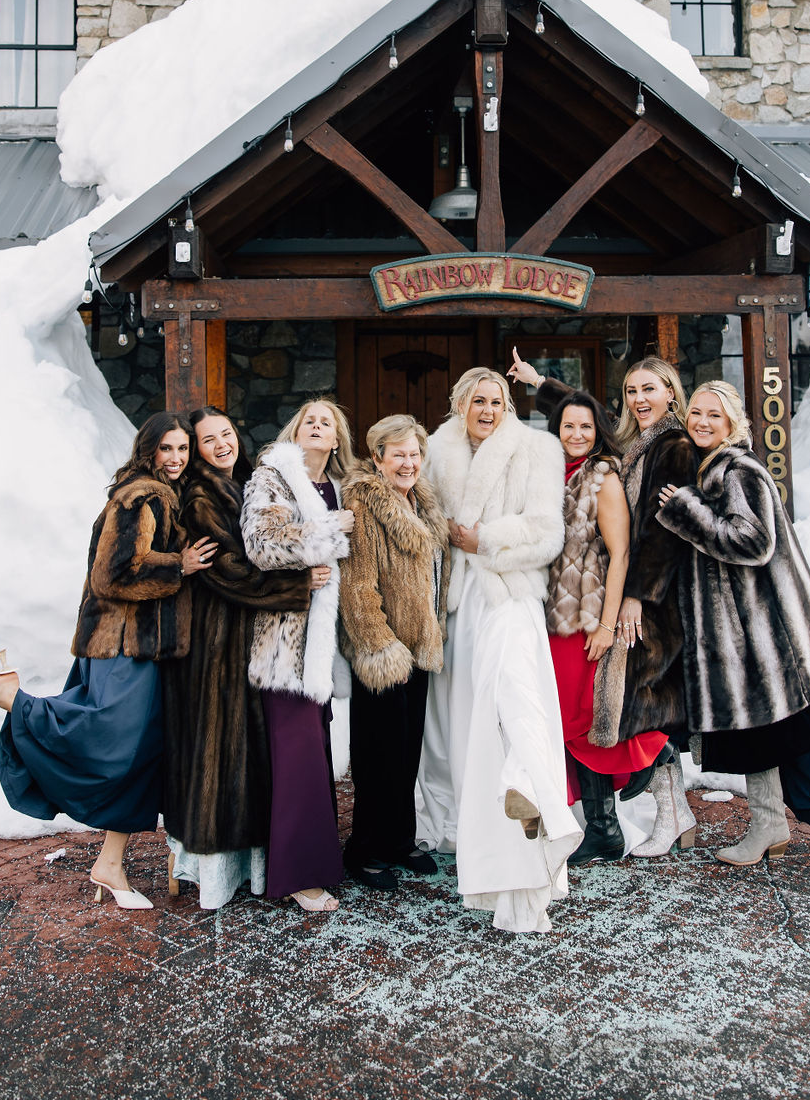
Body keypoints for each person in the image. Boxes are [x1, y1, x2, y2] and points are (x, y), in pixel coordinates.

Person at [0, 413, 215, 909]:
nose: (176, 458)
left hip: (140, 648)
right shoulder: (139, 497)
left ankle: (109, 864)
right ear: (148, 450)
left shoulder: (155, 494)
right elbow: (112, 575)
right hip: (124, 645)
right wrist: (180, 565)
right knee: (106, 740)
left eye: (182, 450)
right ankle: (6, 694)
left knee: (138, 756)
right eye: (167, 449)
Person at [657, 381, 810, 864]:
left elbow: (753, 542)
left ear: (732, 424)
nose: (702, 422)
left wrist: (687, 512)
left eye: (714, 416)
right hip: (736, 633)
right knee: (755, 733)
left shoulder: (738, 470)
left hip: (762, 628)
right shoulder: (711, 469)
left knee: (792, 721)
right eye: (697, 413)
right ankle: (767, 826)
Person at [508, 352, 697, 858]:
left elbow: (654, 538)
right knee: (596, 712)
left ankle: (654, 798)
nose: (638, 400)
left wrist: (627, 605)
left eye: (648, 390)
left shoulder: (671, 446)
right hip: (580, 608)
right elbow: (582, 417)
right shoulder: (629, 440)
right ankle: (606, 821)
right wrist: (535, 382)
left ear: (670, 394)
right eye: (632, 391)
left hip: (639, 602)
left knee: (623, 712)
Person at [416, 367, 582, 934]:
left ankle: (537, 808)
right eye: (477, 400)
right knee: (470, 727)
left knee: (518, 703)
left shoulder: (536, 449)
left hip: (510, 597)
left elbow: (547, 534)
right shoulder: (433, 453)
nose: (488, 409)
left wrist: (483, 539)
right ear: (459, 403)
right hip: (460, 610)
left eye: (497, 400)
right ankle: (487, 846)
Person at [161, 406, 314, 910]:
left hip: (246, 632)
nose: (222, 444)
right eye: (209, 440)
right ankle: (215, 868)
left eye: (227, 433)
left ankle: (249, 862)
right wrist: (296, 584)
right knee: (218, 750)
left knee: (248, 751)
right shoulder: (202, 496)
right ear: (197, 450)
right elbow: (225, 569)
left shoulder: (247, 482)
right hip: (216, 638)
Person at [543, 387, 670, 863]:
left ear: (598, 433)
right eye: (568, 426)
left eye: (585, 426)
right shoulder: (551, 474)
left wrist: (606, 624)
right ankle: (601, 828)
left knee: (582, 720)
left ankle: (617, 813)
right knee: (567, 720)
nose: (576, 434)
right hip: (552, 618)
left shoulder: (602, 477)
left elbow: (620, 555)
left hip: (586, 618)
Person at [239, 398, 355, 912]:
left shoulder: (339, 487)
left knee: (318, 755)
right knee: (298, 760)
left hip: (324, 643)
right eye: (309, 418)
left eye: (326, 422)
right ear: (295, 430)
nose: (317, 425)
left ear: (336, 439)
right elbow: (261, 543)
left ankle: (318, 861)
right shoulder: (272, 477)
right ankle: (299, 877)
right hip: (285, 643)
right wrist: (329, 532)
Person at [339, 414, 450, 889]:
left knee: (406, 753)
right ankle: (364, 850)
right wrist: (379, 646)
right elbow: (357, 584)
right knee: (376, 755)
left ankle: (400, 840)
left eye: (414, 454)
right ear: (378, 457)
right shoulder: (363, 504)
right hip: (382, 651)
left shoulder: (424, 503)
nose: (408, 463)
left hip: (418, 645)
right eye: (398, 454)